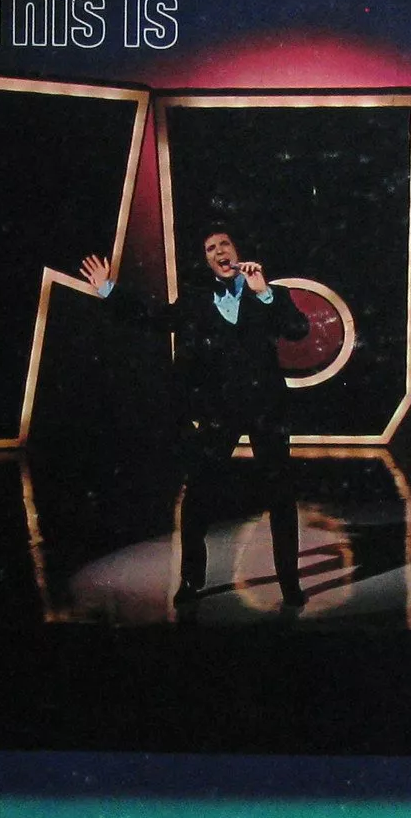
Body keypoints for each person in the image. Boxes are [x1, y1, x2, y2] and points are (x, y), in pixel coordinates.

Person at [80, 225, 310, 608]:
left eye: (224, 244)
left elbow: (298, 329)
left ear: (237, 250)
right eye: (210, 248)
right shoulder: (196, 300)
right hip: (219, 412)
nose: (219, 251)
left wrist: (264, 294)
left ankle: (289, 582)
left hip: (266, 409)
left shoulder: (269, 293)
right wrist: (108, 289)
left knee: (280, 496)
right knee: (199, 494)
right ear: (206, 260)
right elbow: (153, 318)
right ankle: (191, 579)